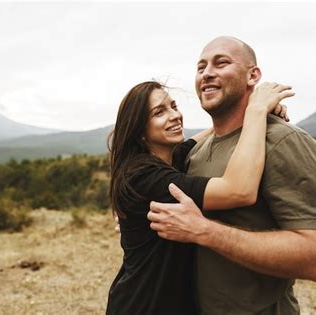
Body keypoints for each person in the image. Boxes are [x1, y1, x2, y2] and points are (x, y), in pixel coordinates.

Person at [147, 36, 316, 314]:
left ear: (253, 76)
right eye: (200, 68)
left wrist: (206, 231)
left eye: (221, 63)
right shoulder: (195, 152)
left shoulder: (284, 142)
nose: (207, 73)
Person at [106, 79, 293, 314]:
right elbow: (239, 190)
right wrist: (256, 112)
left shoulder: (175, 157)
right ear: (140, 130)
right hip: (145, 305)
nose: (174, 115)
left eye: (173, 106)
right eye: (159, 112)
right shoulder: (144, 176)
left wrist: (256, 109)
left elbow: (212, 132)